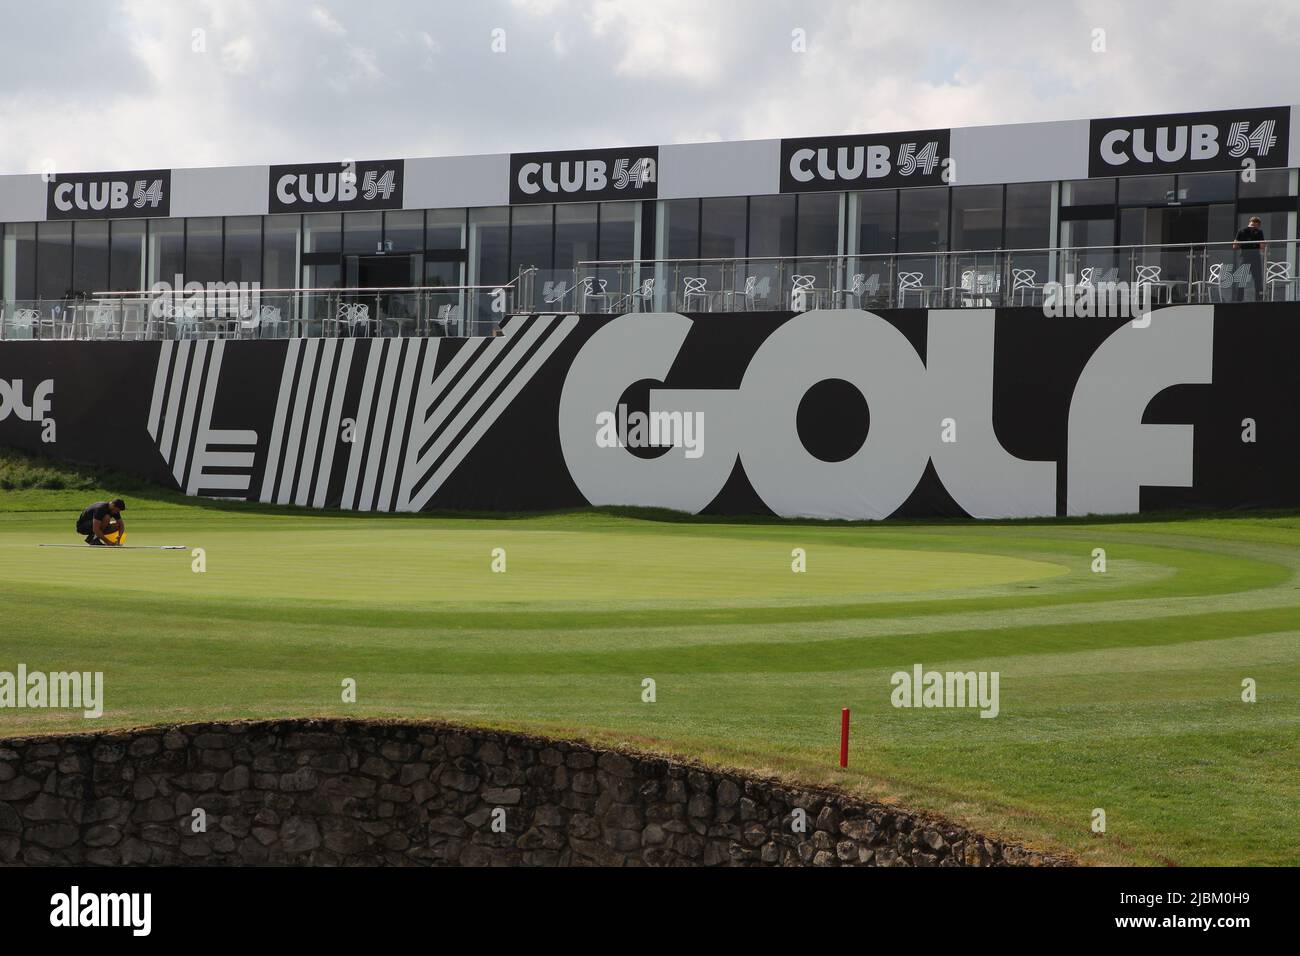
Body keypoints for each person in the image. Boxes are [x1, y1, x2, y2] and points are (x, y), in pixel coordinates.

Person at [1233, 217, 1265, 302]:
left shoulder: (1259, 232)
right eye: (1252, 225)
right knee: (1243, 279)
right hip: (1246, 257)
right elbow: (1234, 246)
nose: (1253, 228)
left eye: (1255, 226)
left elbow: (1262, 246)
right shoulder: (1242, 231)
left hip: (1253, 258)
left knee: (1257, 279)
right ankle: (1240, 299)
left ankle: (1258, 299)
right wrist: (1242, 244)